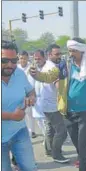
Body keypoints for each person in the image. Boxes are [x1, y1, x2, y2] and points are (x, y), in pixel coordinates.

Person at [30, 37, 86, 171]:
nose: (70, 54)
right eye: (69, 51)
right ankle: (83, 155)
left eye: (73, 51)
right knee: (77, 143)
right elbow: (49, 76)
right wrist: (37, 75)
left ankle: (83, 165)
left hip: (85, 113)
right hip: (68, 113)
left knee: (82, 144)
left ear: (81, 51)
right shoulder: (64, 65)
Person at [2, 41, 37, 171]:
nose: (10, 65)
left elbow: (30, 91)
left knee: (30, 168)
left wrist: (32, 97)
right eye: (4, 60)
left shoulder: (19, 73)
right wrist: (11, 116)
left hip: (19, 132)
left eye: (14, 60)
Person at [41, 44, 69, 163]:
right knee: (61, 132)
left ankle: (49, 150)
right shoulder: (52, 68)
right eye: (56, 54)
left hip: (47, 103)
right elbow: (59, 87)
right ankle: (56, 155)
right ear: (49, 55)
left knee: (50, 129)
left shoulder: (48, 65)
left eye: (60, 53)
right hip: (52, 106)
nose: (59, 56)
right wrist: (64, 78)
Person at [17, 50, 37, 138]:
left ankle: (31, 131)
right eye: (21, 58)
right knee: (20, 114)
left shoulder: (31, 67)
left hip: (29, 94)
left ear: (27, 58)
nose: (23, 60)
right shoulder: (16, 68)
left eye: (24, 59)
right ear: (18, 58)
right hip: (18, 95)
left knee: (30, 114)